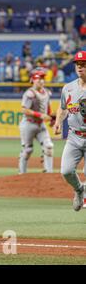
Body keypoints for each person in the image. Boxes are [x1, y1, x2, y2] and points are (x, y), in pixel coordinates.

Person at [54, 51, 86, 211]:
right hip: (74, 136)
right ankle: (80, 190)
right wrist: (58, 122)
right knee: (66, 171)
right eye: (78, 65)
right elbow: (62, 108)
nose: (80, 67)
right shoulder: (68, 88)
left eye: (84, 65)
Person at [18, 69, 54, 174]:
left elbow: (48, 108)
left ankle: (49, 173)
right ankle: (22, 173)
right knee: (28, 150)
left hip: (40, 124)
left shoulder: (47, 92)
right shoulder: (29, 93)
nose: (41, 81)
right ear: (32, 80)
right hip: (28, 124)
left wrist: (51, 119)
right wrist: (40, 115)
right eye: (38, 78)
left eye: (42, 78)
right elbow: (24, 109)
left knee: (49, 147)